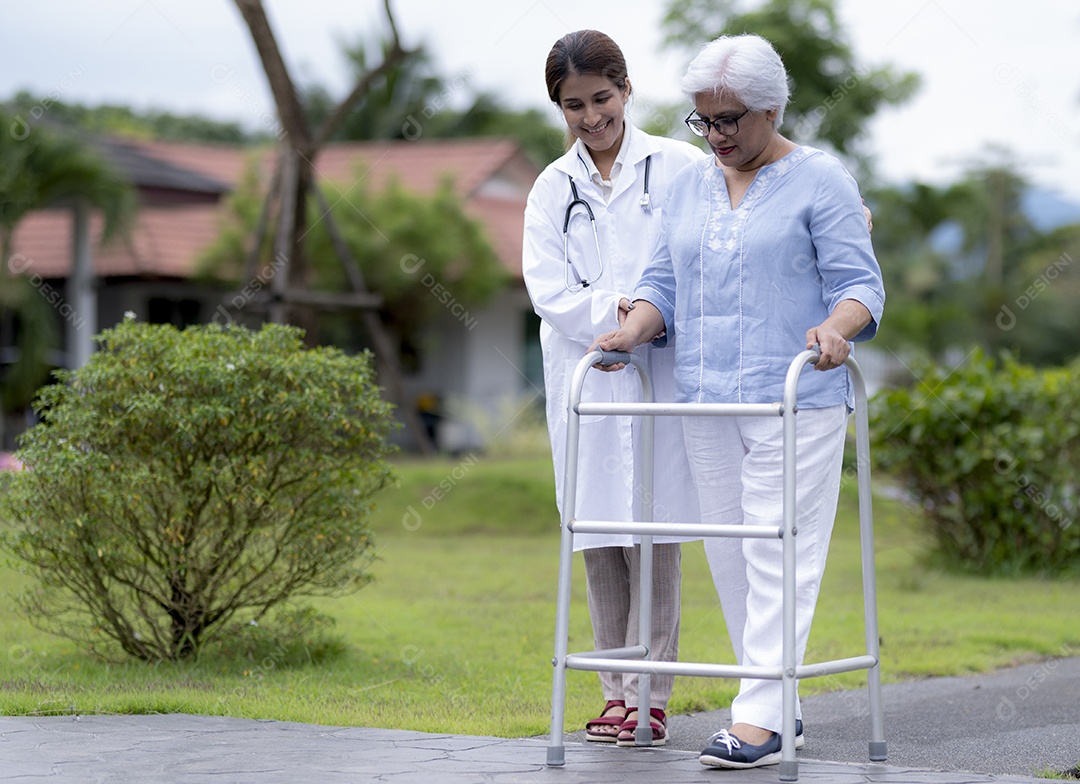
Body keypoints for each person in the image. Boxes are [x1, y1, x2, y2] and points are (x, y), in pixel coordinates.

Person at [594, 33, 885, 769]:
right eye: (703, 121)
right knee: (731, 556)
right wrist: (630, 331)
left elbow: (861, 286)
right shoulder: (691, 185)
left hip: (796, 398)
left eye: (731, 120)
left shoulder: (823, 180)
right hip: (705, 397)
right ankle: (777, 705)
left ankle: (755, 719)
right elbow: (661, 282)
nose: (717, 136)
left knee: (778, 552)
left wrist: (836, 328)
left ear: (772, 109)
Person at [522, 29, 706, 747]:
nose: (591, 117)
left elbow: (701, 257)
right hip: (589, 382)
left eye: (601, 98)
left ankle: (651, 696)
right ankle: (612, 689)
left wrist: (645, 318)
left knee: (655, 538)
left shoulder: (682, 167)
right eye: (574, 105)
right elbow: (549, 292)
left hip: (659, 370)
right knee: (599, 536)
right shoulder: (550, 188)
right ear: (558, 107)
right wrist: (620, 312)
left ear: (626, 89)